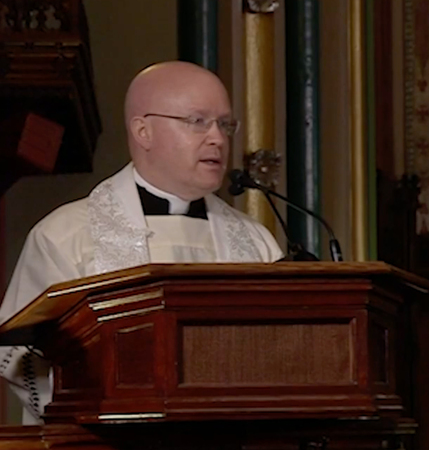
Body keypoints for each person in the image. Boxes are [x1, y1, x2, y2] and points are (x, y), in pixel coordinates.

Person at [0, 61, 283, 424]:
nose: (218, 138)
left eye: (225, 124)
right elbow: (17, 354)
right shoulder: (67, 236)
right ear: (143, 131)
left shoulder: (257, 242)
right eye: (197, 121)